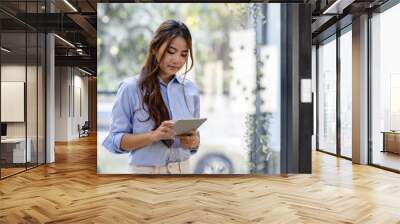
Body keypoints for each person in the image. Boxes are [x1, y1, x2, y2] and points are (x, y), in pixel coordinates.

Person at [102, 19, 200, 174]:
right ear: (155, 48)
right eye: (171, 51)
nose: (177, 60)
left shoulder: (191, 89)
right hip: (146, 174)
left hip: (184, 170)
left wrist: (194, 141)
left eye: (184, 54)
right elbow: (115, 140)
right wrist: (153, 136)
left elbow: (195, 139)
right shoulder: (130, 88)